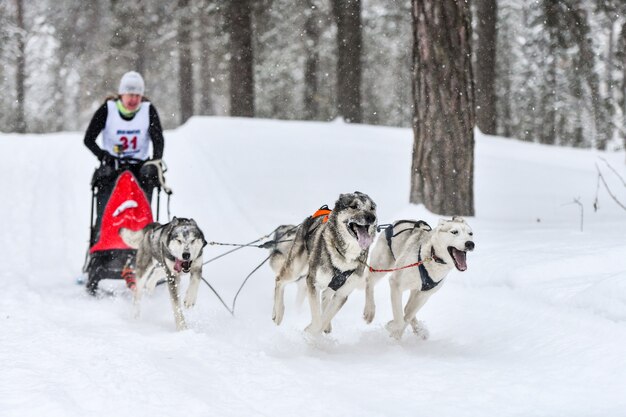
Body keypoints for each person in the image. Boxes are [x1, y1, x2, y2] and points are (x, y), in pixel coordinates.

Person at [84, 71, 165, 244]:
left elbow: (158, 140)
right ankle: (101, 240)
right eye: (130, 94)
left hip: (139, 167)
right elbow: (88, 139)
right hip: (113, 166)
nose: (133, 99)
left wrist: (155, 162)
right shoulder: (108, 109)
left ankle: (144, 242)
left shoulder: (148, 110)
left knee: (143, 200)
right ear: (121, 94)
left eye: (137, 95)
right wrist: (103, 156)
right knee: (107, 202)